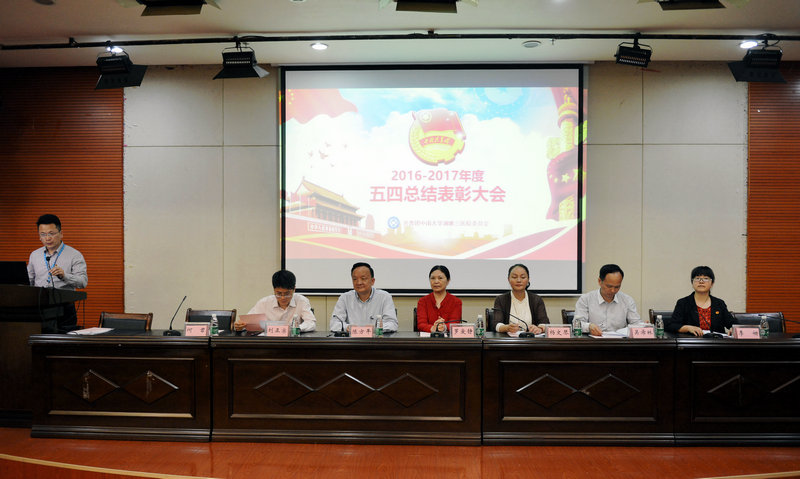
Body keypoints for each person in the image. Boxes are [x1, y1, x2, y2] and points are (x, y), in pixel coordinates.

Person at [27, 214, 88, 331]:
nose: (47, 238)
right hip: (39, 308)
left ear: (61, 233)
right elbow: (28, 281)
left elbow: (83, 282)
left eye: (51, 233)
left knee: (64, 341)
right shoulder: (35, 255)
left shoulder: (74, 255)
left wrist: (64, 276)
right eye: (43, 234)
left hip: (65, 309)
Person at [236, 269, 316, 332]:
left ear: (294, 289)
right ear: (274, 290)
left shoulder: (302, 301)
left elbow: (311, 323)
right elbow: (248, 323)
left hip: (292, 342)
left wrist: (296, 329)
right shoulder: (264, 303)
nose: (283, 297)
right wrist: (241, 326)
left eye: (287, 294)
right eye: (279, 293)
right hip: (269, 343)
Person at [665, 266, 734, 336]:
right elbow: (671, 325)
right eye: (697, 278)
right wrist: (688, 328)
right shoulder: (683, 303)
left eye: (706, 279)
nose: (701, 281)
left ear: (712, 283)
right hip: (692, 341)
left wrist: (733, 328)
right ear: (692, 282)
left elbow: (732, 323)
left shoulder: (719, 303)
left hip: (716, 341)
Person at [574, 264, 641, 336]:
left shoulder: (627, 300)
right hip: (593, 341)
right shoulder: (586, 299)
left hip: (619, 341)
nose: (613, 290)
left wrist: (643, 326)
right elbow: (577, 324)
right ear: (599, 281)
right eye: (609, 286)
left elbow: (635, 323)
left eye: (617, 287)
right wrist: (589, 327)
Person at [330, 262, 398, 333]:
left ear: (372, 281)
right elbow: (334, 324)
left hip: (376, 338)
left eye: (363, 278)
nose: (359, 282)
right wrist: (348, 327)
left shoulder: (384, 297)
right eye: (355, 279)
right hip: (352, 339)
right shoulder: (345, 298)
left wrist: (375, 328)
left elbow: (392, 324)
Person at [491, 264, 549, 334]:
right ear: (508, 279)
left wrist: (539, 329)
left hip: (531, 339)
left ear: (528, 279)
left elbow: (545, 323)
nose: (518, 280)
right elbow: (496, 324)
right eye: (514, 277)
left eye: (523, 277)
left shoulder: (536, 300)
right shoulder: (501, 299)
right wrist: (507, 328)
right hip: (508, 339)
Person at [416, 265, 462, 333]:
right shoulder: (423, 301)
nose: (436, 281)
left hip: (448, 339)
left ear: (448, 281)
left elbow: (455, 323)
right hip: (428, 338)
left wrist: (444, 327)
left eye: (440, 278)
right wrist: (433, 328)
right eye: (432, 278)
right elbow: (421, 324)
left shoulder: (456, 302)